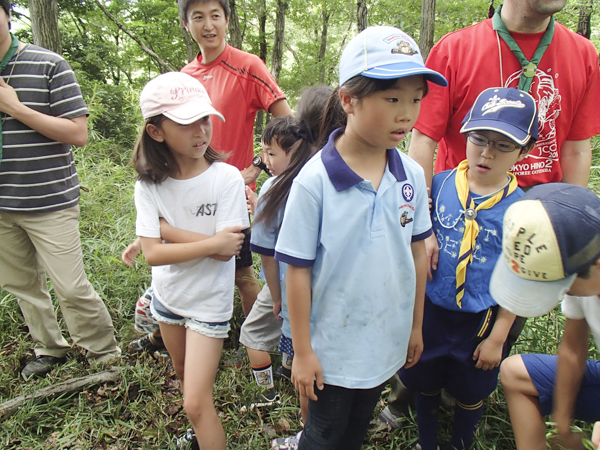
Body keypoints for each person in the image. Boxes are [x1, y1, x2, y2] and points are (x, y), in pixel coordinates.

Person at [381, 0, 600, 426]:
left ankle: (463, 392)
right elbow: (423, 139)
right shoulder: (456, 48)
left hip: (532, 232)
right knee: (428, 322)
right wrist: (422, 225)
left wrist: (567, 239)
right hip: (453, 218)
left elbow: (575, 146)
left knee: (495, 320)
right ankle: (405, 397)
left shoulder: (583, 55)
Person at [270, 26, 447, 450]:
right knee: (323, 433)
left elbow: (417, 253)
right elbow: (296, 269)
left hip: (384, 339)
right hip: (330, 348)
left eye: (416, 100)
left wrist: (415, 326)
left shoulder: (411, 175)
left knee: (356, 430)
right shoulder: (315, 181)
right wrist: (303, 351)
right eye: (392, 99)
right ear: (349, 100)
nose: (407, 113)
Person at [398, 87, 537, 450]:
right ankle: (426, 442)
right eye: (479, 139)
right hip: (429, 310)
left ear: (525, 150)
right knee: (423, 379)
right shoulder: (438, 186)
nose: (487, 153)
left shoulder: (522, 211)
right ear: (464, 135)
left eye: (503, 146)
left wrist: (499, 336)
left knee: (470, 388)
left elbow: (519, 278)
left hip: (481, 319)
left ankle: (461, 443)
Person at [0, 0, 120, 379]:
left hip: (49, 201)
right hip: (3, 205)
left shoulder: (48, 63)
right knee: (23, 286)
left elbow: (77, 133)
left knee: (70, 286)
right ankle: (49, 348)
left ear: (6, 14)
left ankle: (104, 353)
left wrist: (16, 109)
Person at [131, 72, 248, 450]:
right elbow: (152, 254)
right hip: (167, 299)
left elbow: (229, 246)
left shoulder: (226, 178)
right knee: (183, 375)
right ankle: (199, 436)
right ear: (156, 132)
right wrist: (200, 240)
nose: (201, 131)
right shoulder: (149, 185)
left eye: (205, 119)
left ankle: (201, 427)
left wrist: (166, 229)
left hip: (208, 304)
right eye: (186, 123)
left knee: (196, 403)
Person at [488, 183, 600, 450]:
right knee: (514, 372)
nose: (565, 294)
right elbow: (573, 350)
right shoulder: (583, 269)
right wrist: (562, 422)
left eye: (560, 285)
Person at [240, 116, 316, 417]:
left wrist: (275, 296)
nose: (265, 160)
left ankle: (266, 393)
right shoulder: (316, 181)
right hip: (313, 285)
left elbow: (267, 252)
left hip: (283, 282)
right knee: (300, 335)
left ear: (295, 151)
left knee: (252, 335)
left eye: (271, 153)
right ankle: (286, 370)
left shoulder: (274, 187)